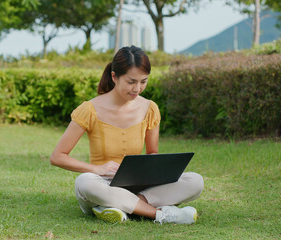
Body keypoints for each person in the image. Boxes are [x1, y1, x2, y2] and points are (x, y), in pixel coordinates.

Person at [50, 45, 204, 224]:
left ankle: (120, 207)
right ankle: (160, 214)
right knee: (84, 182)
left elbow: (152, 153)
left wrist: (158, 170)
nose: (137, 88)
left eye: (143, 81)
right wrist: (98, 169)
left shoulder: (150, 109)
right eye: (131, 82)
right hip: (102, 183)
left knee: (195, 181)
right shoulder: (89, 109)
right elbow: (57, 157)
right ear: (114, 76)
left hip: (139, 185)